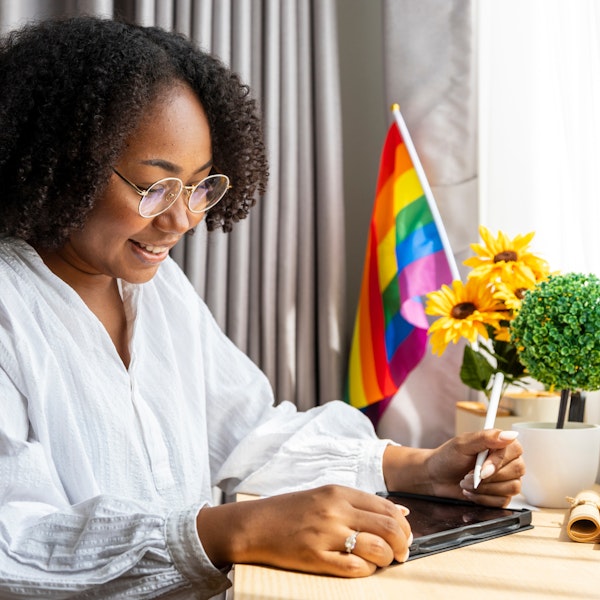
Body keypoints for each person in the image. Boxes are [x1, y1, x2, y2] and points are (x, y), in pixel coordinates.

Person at [0, 15, 524, 600]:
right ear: (63, 166)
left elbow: (248, 433)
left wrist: (417, 468)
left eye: (201, 185)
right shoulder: (8, 311)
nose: (183, 220)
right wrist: (230, 530)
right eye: (154, 187)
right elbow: (15, 543)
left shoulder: (158, 288)